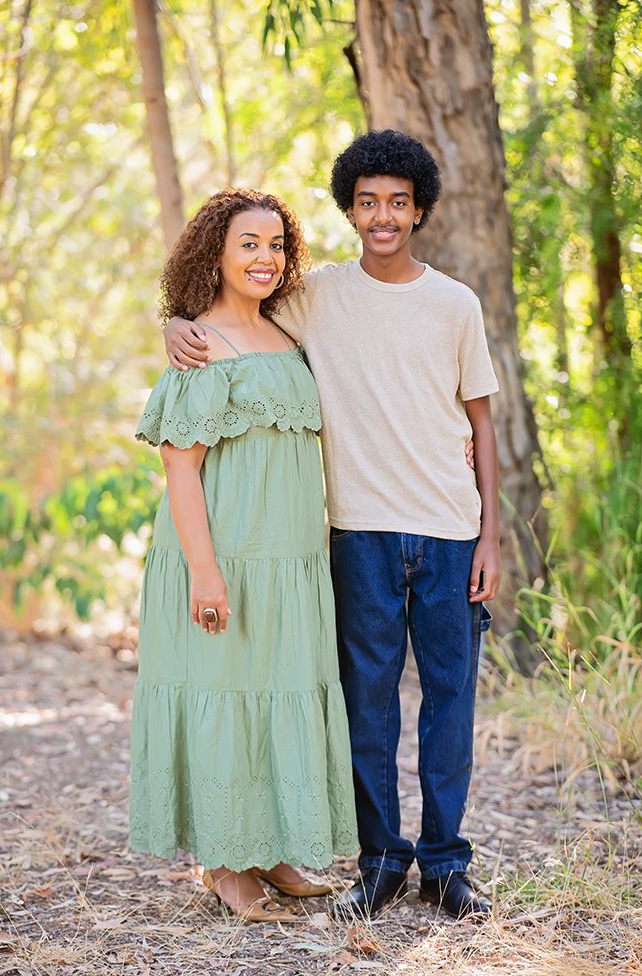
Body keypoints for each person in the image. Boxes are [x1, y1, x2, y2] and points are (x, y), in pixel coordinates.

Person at [164, 130, 501, 920]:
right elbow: (228, 312)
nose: (382, 216)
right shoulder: (313, 296)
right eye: (366, 202)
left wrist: (491, 535)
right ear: (349, 210)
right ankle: (382, 859)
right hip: (358, 534)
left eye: (397, 203)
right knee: (368, 707)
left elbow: (484, 425)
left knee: (449, 704)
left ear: (419, 209)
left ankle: (446, 865)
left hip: (451, 534)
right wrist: (171, 326)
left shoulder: (456, 303)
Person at [130, 188, 358, 923]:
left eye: (276, 244)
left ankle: (266, 851)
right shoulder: (202, 345)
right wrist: (204, 570)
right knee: (226, 693)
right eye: (248, 244)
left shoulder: (288, 338)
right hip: (222, 555)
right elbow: (180, 467)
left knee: (274, 691)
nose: (265, 258)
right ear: (215, 255)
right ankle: (225, 869)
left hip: (288, 560)